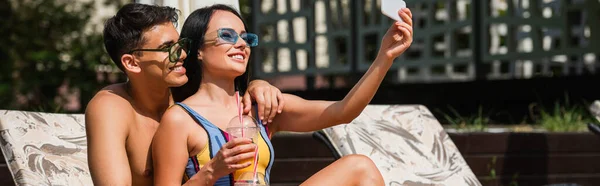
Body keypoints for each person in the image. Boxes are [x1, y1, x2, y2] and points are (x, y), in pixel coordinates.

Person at [152, 4, 413, 186]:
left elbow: (343, 111)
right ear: (198, 50)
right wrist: (211, 172)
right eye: (227, 36)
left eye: (245, 38)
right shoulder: (180, 120)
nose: (241, 44)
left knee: (360, 167)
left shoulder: (262, 107)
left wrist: (385, 57)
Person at [85, 3, 284, 186]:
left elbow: (226, 86)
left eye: (180, 45)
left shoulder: (184, 91)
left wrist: (258, 85)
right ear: (132, 63)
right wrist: (210, 172)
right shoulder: (111, 107)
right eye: (167, 48)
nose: (181, 55)